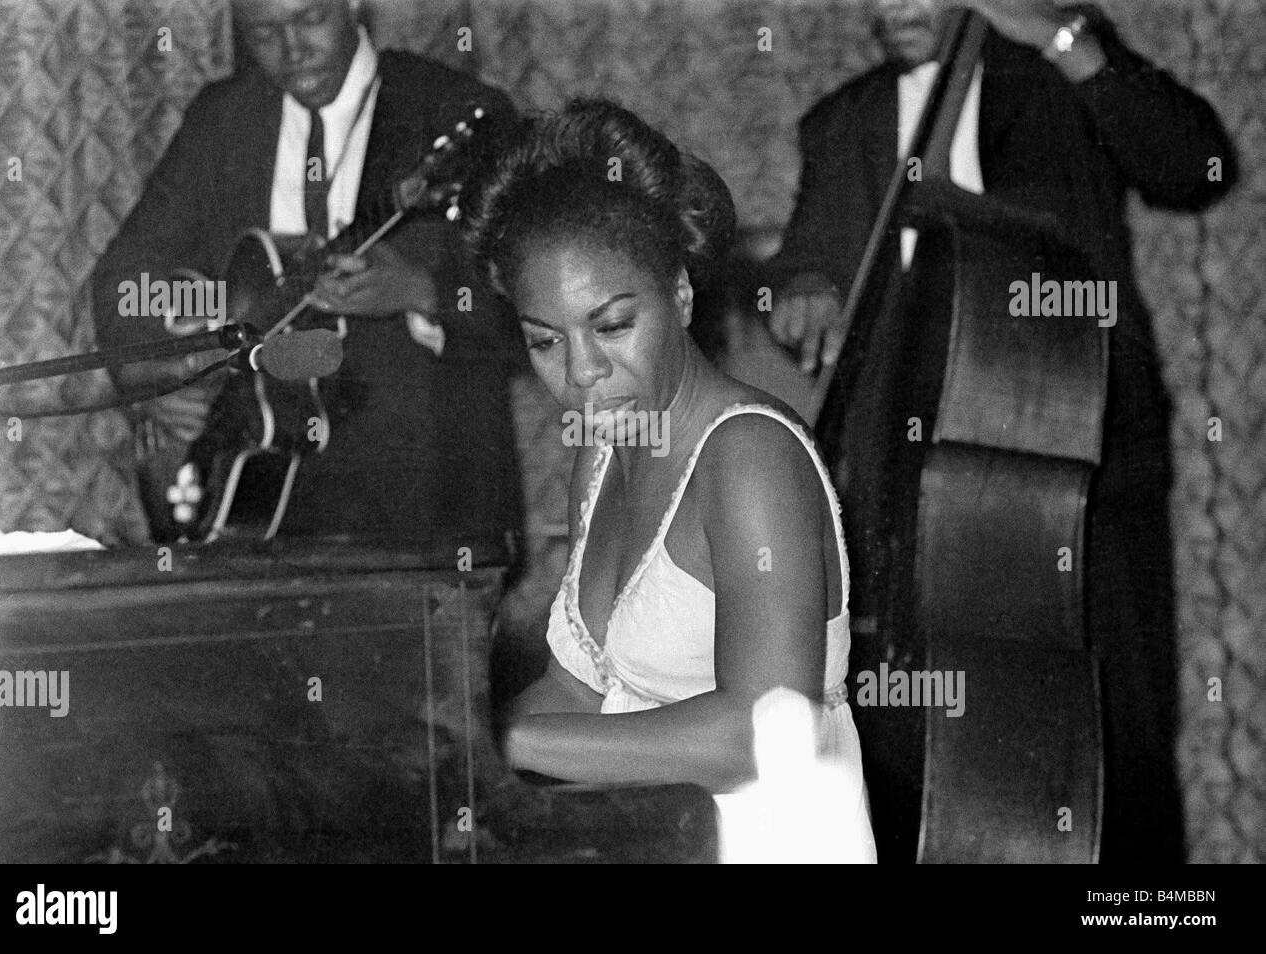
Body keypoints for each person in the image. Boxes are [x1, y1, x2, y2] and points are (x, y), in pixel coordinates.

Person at [767, 0, 1238, 862]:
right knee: (917, 727)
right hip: (903, 476)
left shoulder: (1053, 73)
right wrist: (804, 286)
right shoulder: (844, 119)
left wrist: (1064, 40)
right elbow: (809, 257)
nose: (891, 9)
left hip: (1072, 449)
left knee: (1113, 723)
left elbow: (1199, 168)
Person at [461, 99, 876, 861]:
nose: (583, 373)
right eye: (545, 342)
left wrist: (503, 740)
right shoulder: (605, 446)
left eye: (613, 326)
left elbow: (762, 732)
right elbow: (582, 688)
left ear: (680, 294)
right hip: (657, 837)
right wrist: (450, 743)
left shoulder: (750, 457)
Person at [92, 0, 524, 551]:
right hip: (254, 503)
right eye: (265, 32)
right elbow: (124, 283)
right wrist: (159, 378)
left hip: (427, 505)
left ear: (352, 5)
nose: (292, 51)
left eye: (309, 20)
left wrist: (417, 290)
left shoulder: (455, 112)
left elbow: (526, 311)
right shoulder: (223, 117)